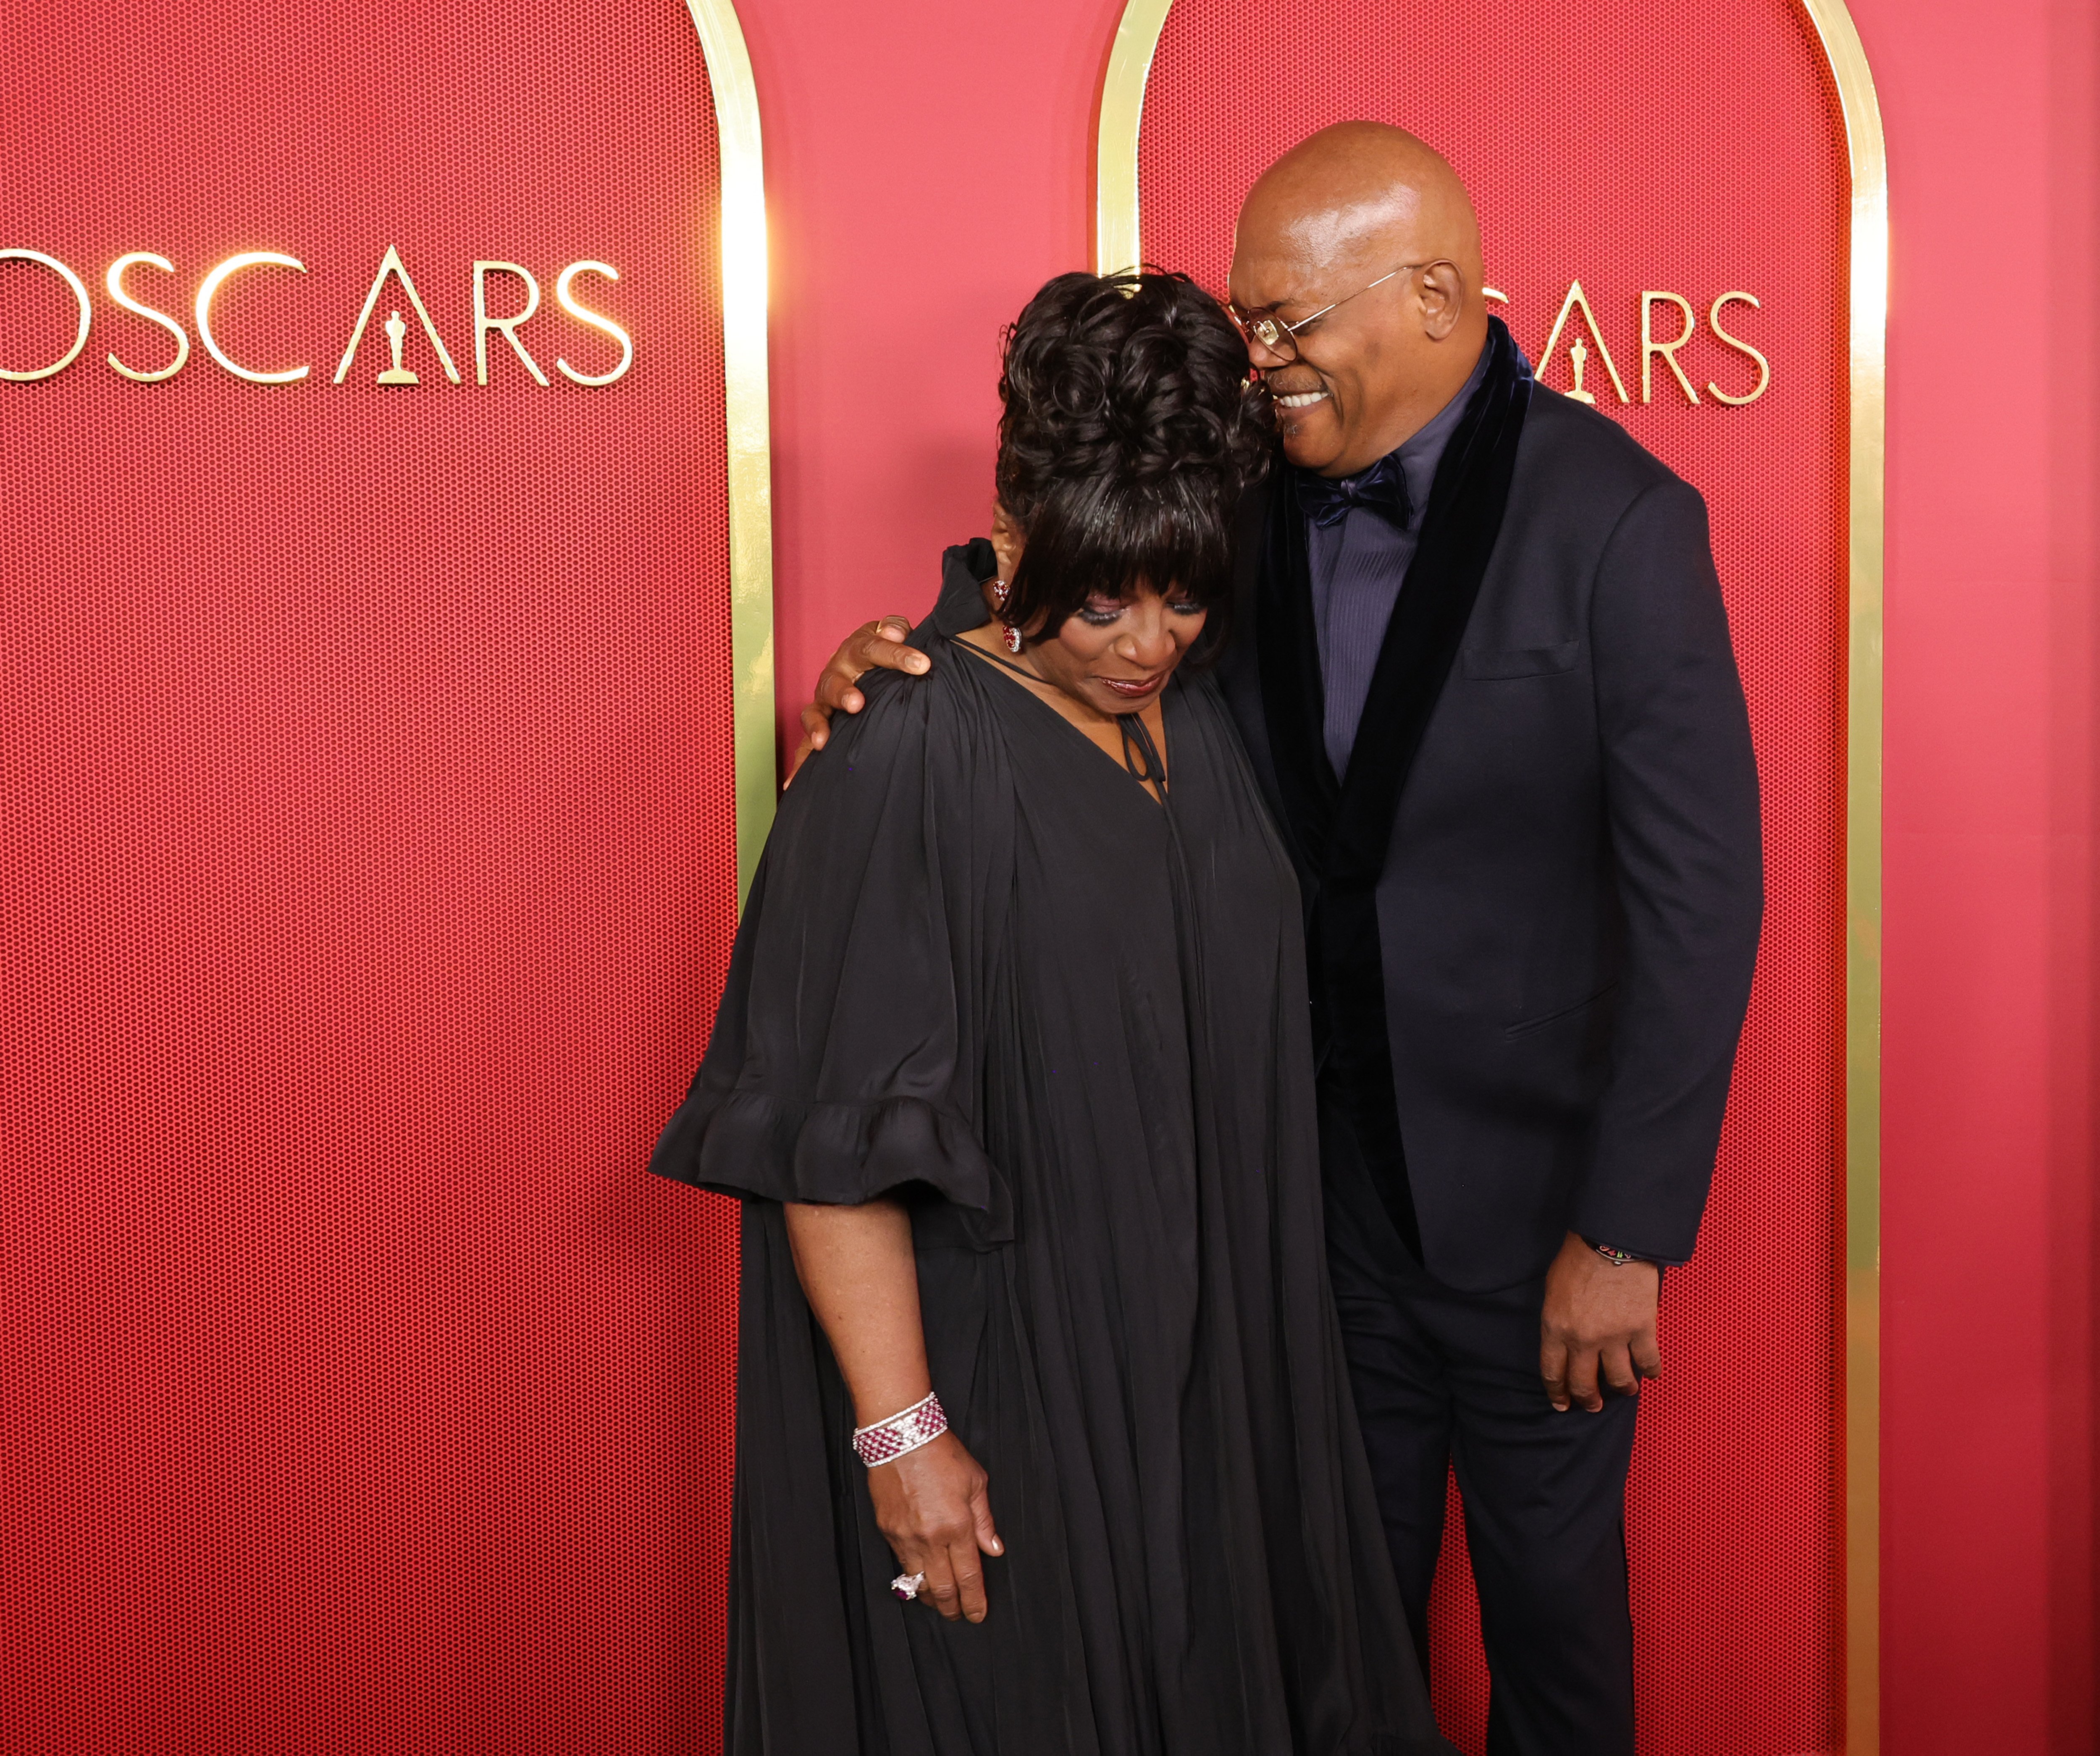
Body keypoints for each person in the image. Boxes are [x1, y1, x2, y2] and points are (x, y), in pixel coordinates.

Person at [800, 124, 1764, 1756]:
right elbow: (1087, 579)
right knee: (1313, 1623)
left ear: (1433, 294)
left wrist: (1623, 1228)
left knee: (1553, 1631)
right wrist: (904, 653)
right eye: (1246, 320)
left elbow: (1698, 893)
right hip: (1290, 1219)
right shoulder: (1247, 472)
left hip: (1533, 1229)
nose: (1260, 356)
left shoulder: (1614, 518)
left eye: (1288, 318)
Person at [651, 269, 1454, 1756]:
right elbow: (829, 1145)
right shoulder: (903, 753)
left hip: (1230, 1390)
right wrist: (907, 1441)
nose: (1147, 641)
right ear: (1012, 540)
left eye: (1185, 594)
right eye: (1099, 601)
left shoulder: (1207, 719)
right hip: (1017, 1396)